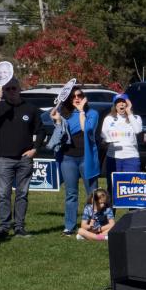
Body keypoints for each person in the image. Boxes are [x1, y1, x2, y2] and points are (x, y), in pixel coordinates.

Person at [0, 80, 39, 238]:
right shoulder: (0, 107)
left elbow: (41, 130)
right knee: (3, 194)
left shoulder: (30, 109)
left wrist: (35, 149)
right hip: (4, 158)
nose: (11, 91)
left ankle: (19, 227)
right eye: (7, 89)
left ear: (19, 89)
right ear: (3, 91)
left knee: (22, 194)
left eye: (13, 88)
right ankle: (3, 228)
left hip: (24, 159)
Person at [51, 89, 102, 235]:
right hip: (68, 158)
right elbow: (59, 135)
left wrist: (81, 112)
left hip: (86, 158)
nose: (76, 98)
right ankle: (70, 226)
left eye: (79, 95)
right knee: (71, 194)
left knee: (92, 193)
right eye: (73, 96)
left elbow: (87, 129)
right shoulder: (65, 114)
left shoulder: (92, 113)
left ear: (84, 98)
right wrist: (58, 120)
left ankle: (95, 224)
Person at [101, 94, 144, 176]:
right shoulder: (108, 119)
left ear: (128, 104)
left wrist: (129, 113)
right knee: (113, 185)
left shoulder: (136, 118)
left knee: (130, 185)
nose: (121, 104)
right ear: (115, 105)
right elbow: (104, 137)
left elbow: (138, 130)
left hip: (131, 157)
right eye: (118, 102)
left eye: (123, 102)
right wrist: (105, 142)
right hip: (113, 157)